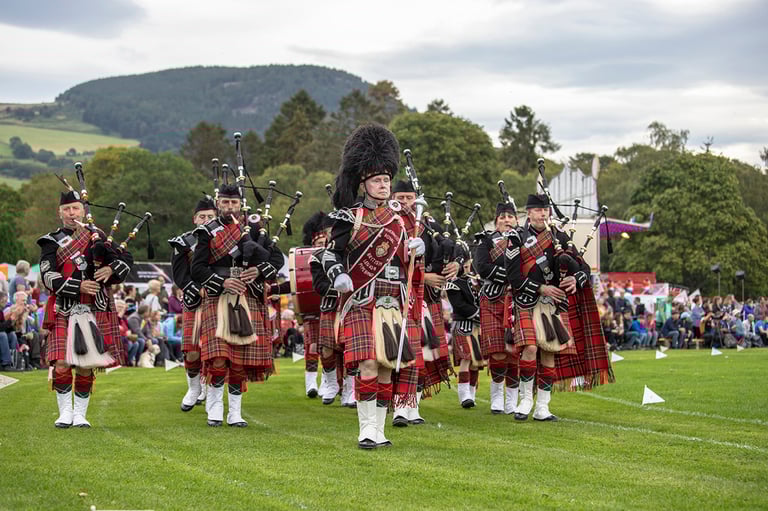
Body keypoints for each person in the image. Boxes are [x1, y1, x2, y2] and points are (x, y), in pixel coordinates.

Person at [322, 124, 424, 449]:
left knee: (384, 366)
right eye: (378, 180)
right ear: (363, 182)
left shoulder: (398, 222)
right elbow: (329, 253)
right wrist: (338, 273)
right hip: (362, 298)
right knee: (367, 361)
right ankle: (366, 429)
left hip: (393, 298)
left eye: (386, 180)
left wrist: (419, 250)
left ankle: (379, 429)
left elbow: (404, 260)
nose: (384, 186)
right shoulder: (347, 217)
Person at [507, 193, 614, 421]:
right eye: (537, 210)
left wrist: (575, 280)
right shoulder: (516, 237)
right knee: (530, 348)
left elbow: (583, 268)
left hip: (552, 305)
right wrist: (542, 288)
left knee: (549, 352)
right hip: (527, 299)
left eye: (545, 210)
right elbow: (514, 278)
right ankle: (525, 400)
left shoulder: (558, 236)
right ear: (529, 212)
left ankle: (543, 407)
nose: (543, 214)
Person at [190, 183, 284, 427]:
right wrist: (223, 282)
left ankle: (235, 413)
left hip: (247, 294)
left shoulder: (254, 230)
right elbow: (197, 269)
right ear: (218, 203)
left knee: (240, 359)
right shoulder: (207, 231)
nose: (229, 206)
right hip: (219, 296)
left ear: (240, 204)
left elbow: (277, 259)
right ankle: (214, 409)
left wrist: (257, 271)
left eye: (234, 202)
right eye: (225, 202)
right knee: (219, 357)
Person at [37, 188, 131, 427]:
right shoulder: (51, 240)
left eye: (75, 208)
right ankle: (64, 413)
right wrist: (78, 286)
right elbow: (48, 276)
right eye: (66, 209)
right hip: (64, 306)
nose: (71, 213)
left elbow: (125, 260)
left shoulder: (98, 236)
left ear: (83, 210)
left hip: (93, 307)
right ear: (60, 213)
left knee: (86, 363)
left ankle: (80, 415)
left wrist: (111, 270)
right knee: (61, 362)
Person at [169, 196, 216, 412]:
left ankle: (210, 390)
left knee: (215, 351)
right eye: (202, 216)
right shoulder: (183, 242)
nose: (206, 220)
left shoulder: (224, 241)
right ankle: (194, 388)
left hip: (218, 300)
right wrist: (198, 289)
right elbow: (179, 275)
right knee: (192, 350)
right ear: (194, 219)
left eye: (210, 216)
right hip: (194, 299)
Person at [476, 200, 522, 415]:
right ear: (496, 223)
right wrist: (511, 275)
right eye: (502, 217)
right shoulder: (486, 240)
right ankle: (496, 397)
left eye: (510, 217)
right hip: (492, 298)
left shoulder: (524, 240)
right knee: (497, 351)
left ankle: (512, 400)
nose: (506, 220)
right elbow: (482, 267)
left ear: (516, 220)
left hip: (517, 299)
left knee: (514, 352)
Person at [446, 253, 485, 408]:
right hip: (463, 324)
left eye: (469, 265)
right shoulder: (454, 283)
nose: (467, 269)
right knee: (466, 358)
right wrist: (479, 315)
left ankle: (471, 395)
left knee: (476, 362)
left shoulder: (477, 281)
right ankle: (464, 396)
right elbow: (459, 305)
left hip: (477, 327)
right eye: (465, 266)